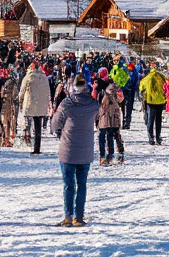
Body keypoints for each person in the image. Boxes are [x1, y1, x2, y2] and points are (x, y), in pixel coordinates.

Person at [50, 75, 100, 228]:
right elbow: (99, 114)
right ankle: (78, 216)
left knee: (68, 185)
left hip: (68, 150)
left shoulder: (67, 104)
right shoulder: (92, 104)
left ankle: (68, 216)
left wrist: (59, 132)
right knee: (82, 184)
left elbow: (55, 123)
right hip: (85, 150)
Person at [19, 61, 51, 155]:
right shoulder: (44, 78)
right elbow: (48, 92)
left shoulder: (28, 77)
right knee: (38, 127)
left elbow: (22, 91)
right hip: (41, 106)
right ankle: (37, 146)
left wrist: (20, 103)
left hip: (30, 104)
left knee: (28, 124)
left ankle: (28, 142)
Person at [97, 80, 125, 165]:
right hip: (108, 119)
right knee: (110, 137)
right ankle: (109, 156)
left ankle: (105, 156)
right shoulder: (106, 94)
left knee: (107, 138)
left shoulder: (110, 94)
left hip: (106, 119)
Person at [139, 63, 167, 145]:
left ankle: (151, 138)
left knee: (150, 121)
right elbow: (167, 83)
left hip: (150, 101)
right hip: (160, 101)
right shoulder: (161, 77)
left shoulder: (147, 78)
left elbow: (141, 87)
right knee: (158, 120)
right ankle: (158, 137)